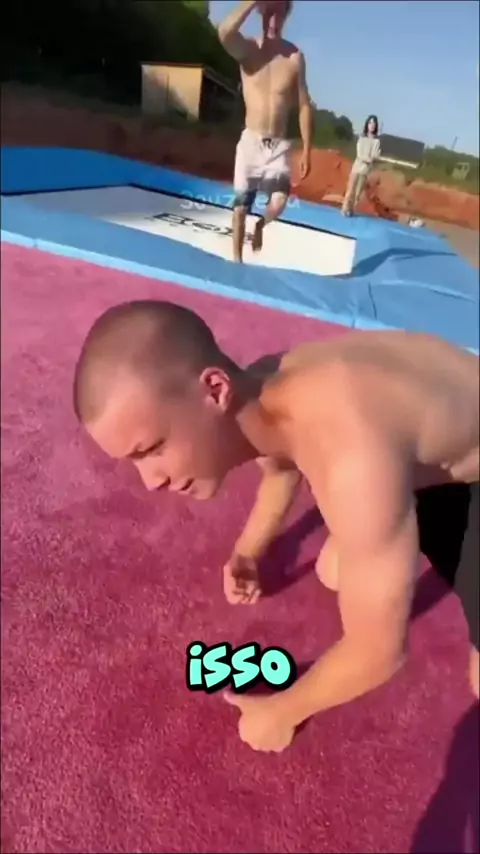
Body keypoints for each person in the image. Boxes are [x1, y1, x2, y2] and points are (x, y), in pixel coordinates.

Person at [73, 300, 479, 753]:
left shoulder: (351, 456)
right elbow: (281, 466)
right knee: (341, 567)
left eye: (152, 449)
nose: (150, 481)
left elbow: (378, 652)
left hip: (453, 470)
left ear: (214, 389)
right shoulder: (263, 389)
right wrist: (249, 549)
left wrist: (283, 711)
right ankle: (396, 516)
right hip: (424, 448)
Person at [217, 0, 312, 262]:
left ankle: (261, 224)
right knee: (239, 208)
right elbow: (224, 32)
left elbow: (304, 104)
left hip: (278, 145)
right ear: (260, 13)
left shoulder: (294, 57)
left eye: (278, 14)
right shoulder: (248, 49)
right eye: (268, 13)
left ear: (285, 16)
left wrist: (307, 149)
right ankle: (236, 261)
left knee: (279, 202)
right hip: (251, 142)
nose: (272, 21)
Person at [342, 114, 381, 216]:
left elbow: (375, 156)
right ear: (367, 124)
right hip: (356, 168)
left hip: (365, 170)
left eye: (374, 123)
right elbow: (360, 155)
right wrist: (369, 158)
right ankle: (344, 209)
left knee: (357, 194)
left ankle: (351, 211)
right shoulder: (361, 138)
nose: (372, 125)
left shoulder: (376, 142)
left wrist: (370, 158)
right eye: (370, 123)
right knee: (350, 191)